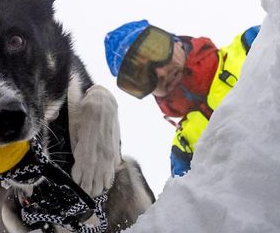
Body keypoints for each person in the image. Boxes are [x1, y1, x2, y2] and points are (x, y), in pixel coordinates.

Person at [104, 20, 260, 177]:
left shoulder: (252, 45)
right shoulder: (184, 150)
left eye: (156, 51)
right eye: (141, 76)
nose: (160, 73)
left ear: (176, 42)